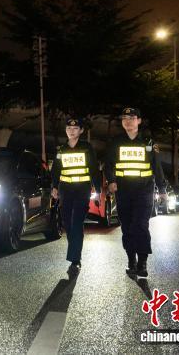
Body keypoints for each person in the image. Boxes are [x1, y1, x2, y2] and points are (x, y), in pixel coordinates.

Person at [105, 107, 167, 279]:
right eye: (125, 118)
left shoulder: (149, 143)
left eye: (132, 118)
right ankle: (131, 260)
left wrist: (162, 190)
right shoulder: (116, 142)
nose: (128, 121)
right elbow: (108, 164)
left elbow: (157, 168)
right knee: (127, 227)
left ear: (139, 121)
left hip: (144, 190)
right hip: (123, 190)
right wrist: (111, 181)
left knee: (140, 225)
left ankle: (143, 262)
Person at [51, 118, 100, 275]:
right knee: (67, 223)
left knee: (77, 222)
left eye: (75, 128)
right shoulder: (61, 149)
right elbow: (56, 170)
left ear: (81, 130)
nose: (71, 131)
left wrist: (98, 190)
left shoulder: (86, 148)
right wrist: (54, 187)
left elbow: (94, 169)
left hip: (82, 190)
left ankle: (75, 260)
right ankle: (75, 254)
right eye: (68, 128)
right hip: (65, 190)